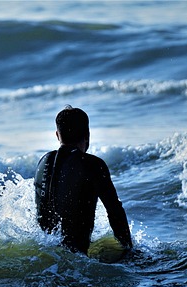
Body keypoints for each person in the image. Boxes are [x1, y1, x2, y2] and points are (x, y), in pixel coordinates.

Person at [34, 106, 133, 255]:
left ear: (57, 135)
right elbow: (114, 211)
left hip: (45, 254)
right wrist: (129, 250)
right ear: (87, 135)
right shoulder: (92, 164)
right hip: (77, 258)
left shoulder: (43, 162)